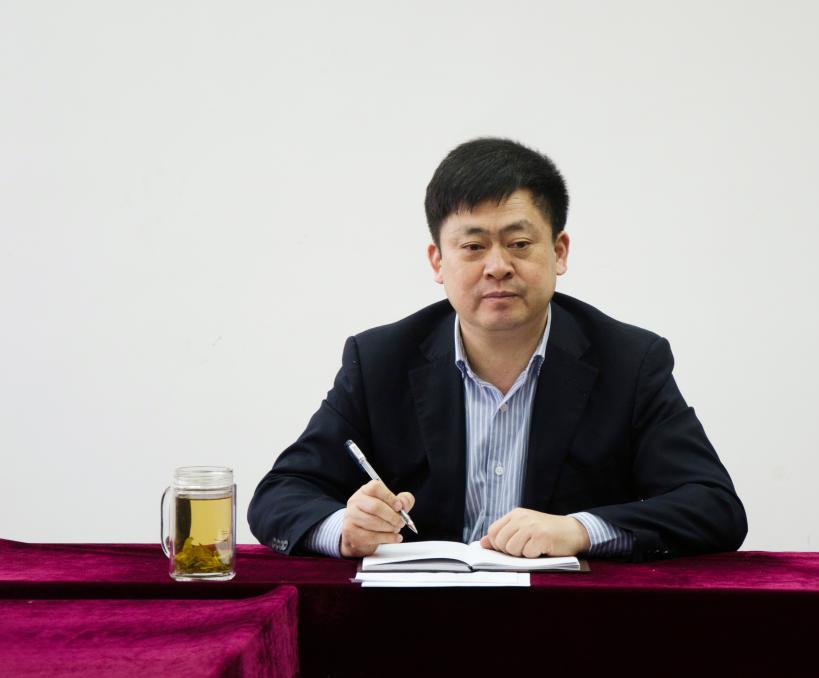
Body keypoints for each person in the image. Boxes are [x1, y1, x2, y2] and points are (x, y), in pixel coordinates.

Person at [248, 138, 746, 561]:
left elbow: (714, 506)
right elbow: (279, 494)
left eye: (519, 243)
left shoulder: (629, 361)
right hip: (417, 623)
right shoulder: (380, 360)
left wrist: (579, 530)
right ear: (437, 261)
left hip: (569, 624)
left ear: (559, 252)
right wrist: (345, 528)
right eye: (473, 246)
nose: (498, 266)